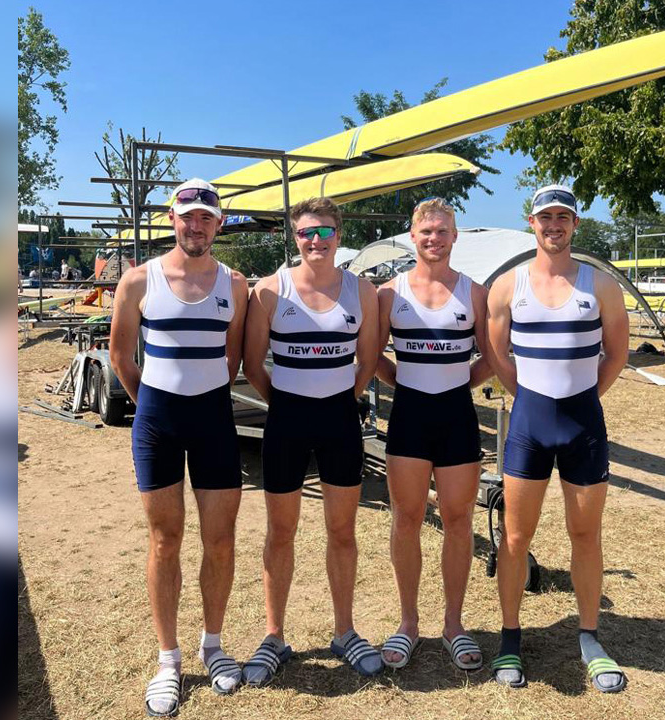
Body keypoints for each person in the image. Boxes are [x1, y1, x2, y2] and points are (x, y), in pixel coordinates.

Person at [108, 178, 250, 716]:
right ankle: (168, 660)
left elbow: (232, 358)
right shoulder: (137, 281)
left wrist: (199, 397)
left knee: (220, 540)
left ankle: (213, 646)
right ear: (172, 218)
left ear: (219, 224)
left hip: (214, 421)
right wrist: (153, 406)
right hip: (158, 424)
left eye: (206, 217)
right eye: (188, 216)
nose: (196, 225)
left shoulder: (235, 284)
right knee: (166, 540)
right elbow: (121, 357)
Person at [485, 184, 630, 693]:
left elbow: (617, 354)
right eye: (545, 217)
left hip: (582, 425)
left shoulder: (601, 286)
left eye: (562, 217)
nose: (554, 225)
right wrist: (531, 399)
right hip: (529, 424)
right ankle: (509, 638)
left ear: (575, 224)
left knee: (585, 535)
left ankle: (589, 637)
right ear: (532, 222)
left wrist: (581, 399)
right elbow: (499, 356)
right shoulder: (507, 286)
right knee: (515, 537)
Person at [241, 196, 382, 684]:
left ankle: (344, 631)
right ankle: (274, 636)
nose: (316, 240)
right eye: (306, 232)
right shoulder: (269, 290)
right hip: (287, 422)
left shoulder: (362, 292)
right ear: (294, 237)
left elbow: (367, 362)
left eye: (324, 231)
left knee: (342, 532)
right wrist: (286, 403)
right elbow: (253, 364)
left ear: (339, 235)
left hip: (340, 421)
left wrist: (340, 399)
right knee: (280, 533)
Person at [373, 199, 490, 671]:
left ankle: (454, 625)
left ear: (455, 236)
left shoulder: (475, 293)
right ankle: (408, 623)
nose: (434, 238)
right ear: (413, 236)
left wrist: (460, 382)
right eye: (426, 231)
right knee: (406, 517)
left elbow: (492, 356)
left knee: (459, 520)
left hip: (457, 416)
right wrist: (402, 381)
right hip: (409, 416)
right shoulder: (389, 293)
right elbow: (371, 355)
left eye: (442, 230)